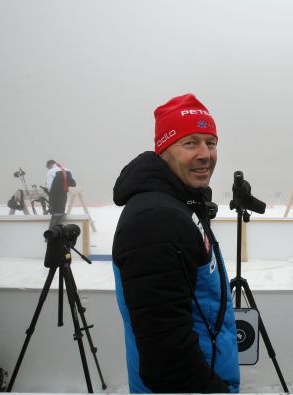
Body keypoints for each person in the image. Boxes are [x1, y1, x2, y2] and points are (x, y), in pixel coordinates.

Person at [111, 94, 240, 393]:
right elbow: (167, 359)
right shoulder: (156, 222)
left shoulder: (179, 204)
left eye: (211, 142)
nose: (205, 154)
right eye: (190, 143)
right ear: (163, 150)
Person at [45, 160, 75, 229]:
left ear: (50, 165)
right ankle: (59, 228)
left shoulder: (51, 171)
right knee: (61, 210)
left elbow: (49, 186)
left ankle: (52, 229)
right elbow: (72, 183)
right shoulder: (67, 170)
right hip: (64, 193)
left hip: (55, 194)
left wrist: (49, 193)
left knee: (54, 211)